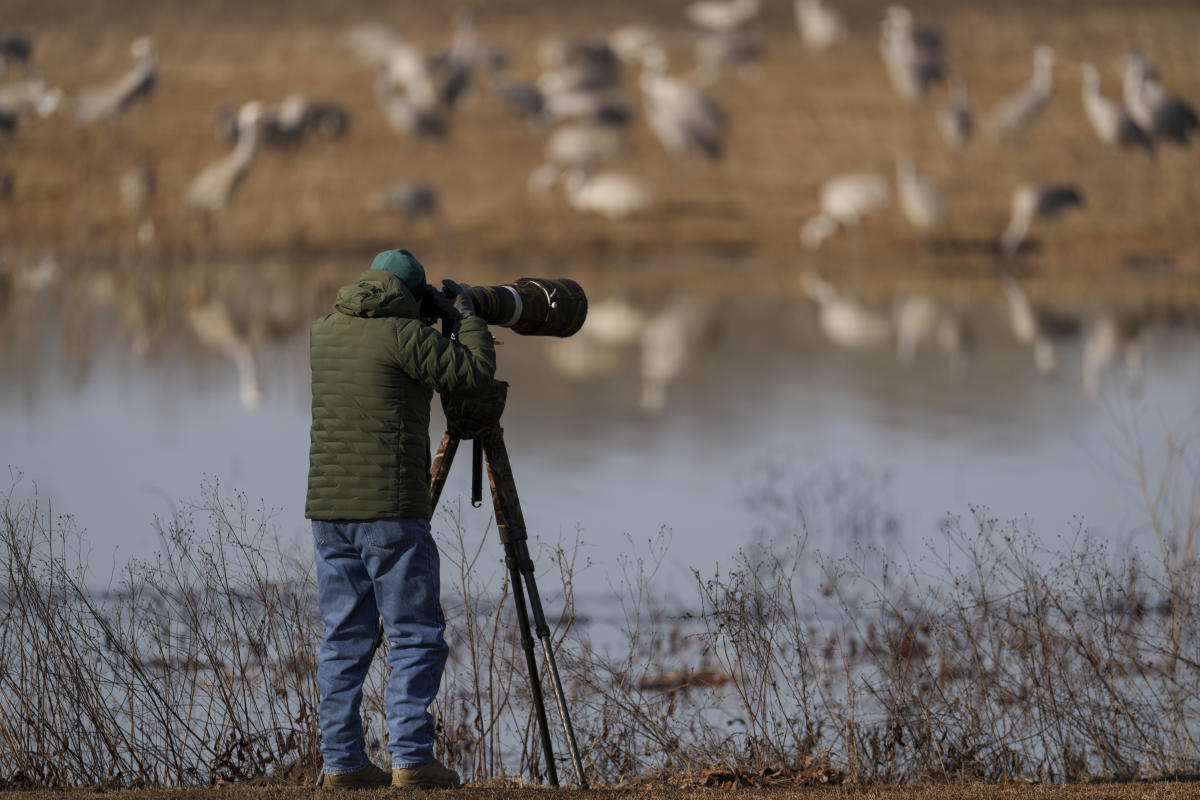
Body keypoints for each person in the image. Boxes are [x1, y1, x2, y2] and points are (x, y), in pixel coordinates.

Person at [306, 248, 496, 790]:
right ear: (414, 299)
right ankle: (411, 758)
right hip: (389, 512)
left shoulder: (324, 331)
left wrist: (426, 312)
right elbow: (476, 374)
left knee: (345, 638)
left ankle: (342, 765)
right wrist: (465, 319)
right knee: (415, 633)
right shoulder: (406, 337)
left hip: (328, 513)